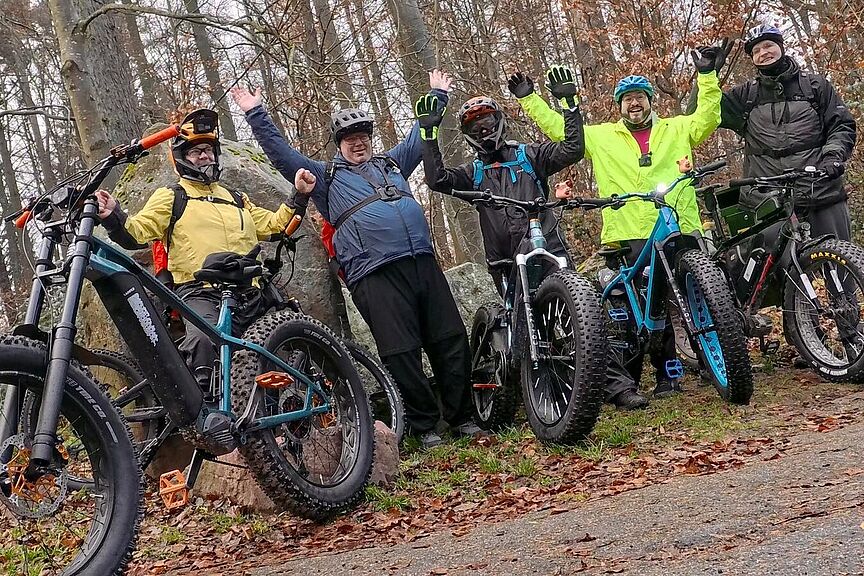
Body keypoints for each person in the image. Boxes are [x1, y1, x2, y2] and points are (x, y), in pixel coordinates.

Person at [229, 71, 480, 449]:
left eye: (362, 137)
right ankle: (425, 426)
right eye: (350, 139)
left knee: (449, 338)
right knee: (400, 349)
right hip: (373, 274)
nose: (357, 143)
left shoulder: (392, 164)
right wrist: (255, 112)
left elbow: (421, 130)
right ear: (339, 144)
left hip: (422, 261)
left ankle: (462, 418)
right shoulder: (325, 176)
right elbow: (282, 155)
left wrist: (438, 94)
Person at [415, 77, 648, 411]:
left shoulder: (529, 156)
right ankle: (540, 393)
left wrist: (569, 106)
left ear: (498, 122)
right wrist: (428, 133)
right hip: (506, 262)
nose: (483, 130)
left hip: (547, 248)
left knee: (583, 315)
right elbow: (437, 179)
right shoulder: (474, 173)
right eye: (475, 127)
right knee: (526, 324)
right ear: (468, 134)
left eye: (487, 123)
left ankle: (618, 388)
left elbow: (572, 149)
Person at [511, 50, 724, 397]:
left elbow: (709, 116)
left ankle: (713, 358)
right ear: (619, 106)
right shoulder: (602, 136)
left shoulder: (677, 127)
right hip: (627, 232)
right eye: (627, 100)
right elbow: (562, 128)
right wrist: (530, 99)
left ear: (650, 101)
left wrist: (706, 76)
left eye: (640, 97)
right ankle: (660, 375)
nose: (634, 104)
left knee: (698, 292)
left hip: (678, 225)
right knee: (638, 304)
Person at [95, 108, 312, 396]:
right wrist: (113, 215)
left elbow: (275, 226)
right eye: (196, 151)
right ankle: (210, 417)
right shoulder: (172, 196)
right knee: (202, 343)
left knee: (279, 353)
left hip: (253, 291)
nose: (205, 156)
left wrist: (299, 194)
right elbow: (136, 232)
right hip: (201, 293)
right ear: (181, 158)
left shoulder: (236, 198)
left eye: (209, 150)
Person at [697, 25, 856, 242]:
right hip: (769, 200)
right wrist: (707, 75)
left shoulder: (815, 85)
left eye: (768, 45)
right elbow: (699, 117)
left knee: (844, 266)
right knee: (779, 273)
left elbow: (841, 125)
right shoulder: (745, 95)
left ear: (781, 47)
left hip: (820, 191)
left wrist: (833, 158)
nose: (763, 53)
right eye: (756, 51)